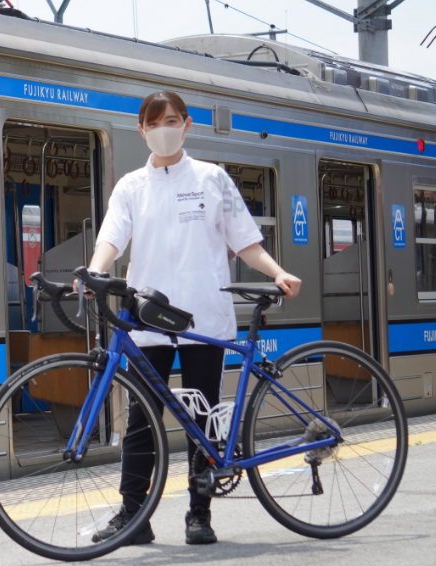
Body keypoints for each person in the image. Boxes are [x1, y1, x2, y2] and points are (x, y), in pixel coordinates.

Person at [81, 91, 301, 545]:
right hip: (147, 320)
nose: (165, 128)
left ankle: (199, 516)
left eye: (173, 120)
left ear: (187, 124)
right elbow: (111, 239)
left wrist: (278, 272)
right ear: (141, 129)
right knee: (142, 422)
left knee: (203, 423)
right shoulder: (130, 187)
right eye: (155, 122)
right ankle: (133, 516)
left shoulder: (211, 178)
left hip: (204, 318)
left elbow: (245, 243)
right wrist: (95, 272)